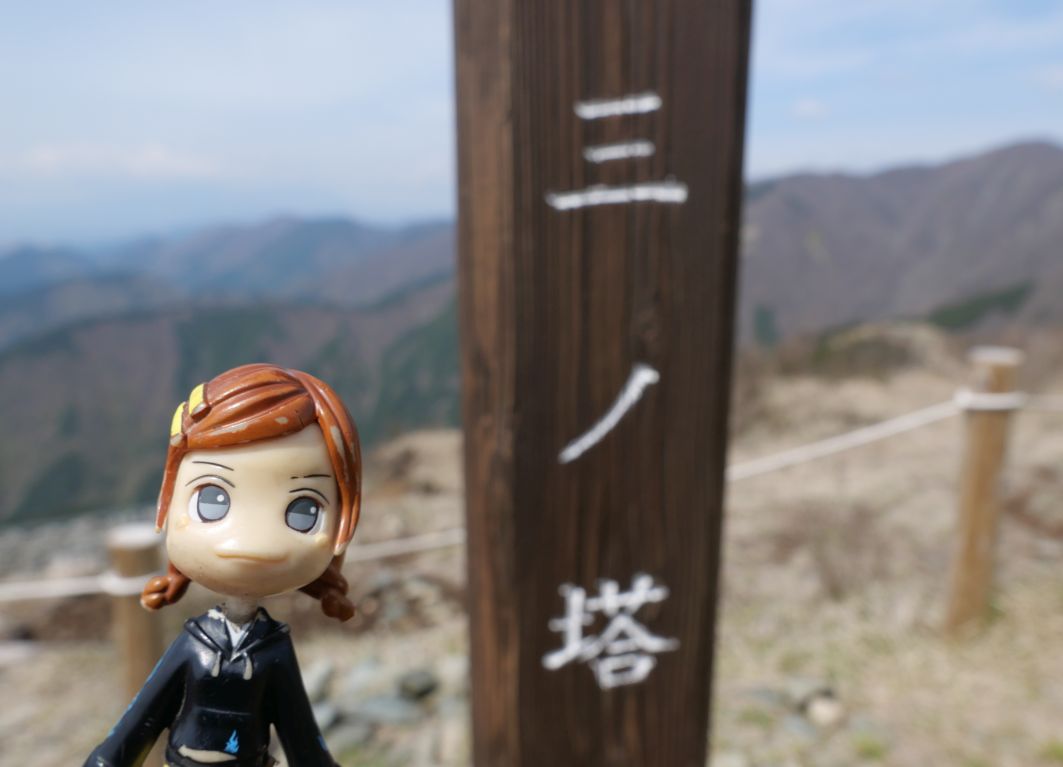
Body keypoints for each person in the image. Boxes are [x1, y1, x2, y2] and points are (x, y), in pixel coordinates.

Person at [83, 364, 361, 767]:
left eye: (304, 510)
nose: (254, 540)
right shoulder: (194, 642)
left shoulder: (273, 649)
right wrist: (109, 759)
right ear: (168, 499)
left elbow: (298, 728)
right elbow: (145, 714)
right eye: (212, 500)